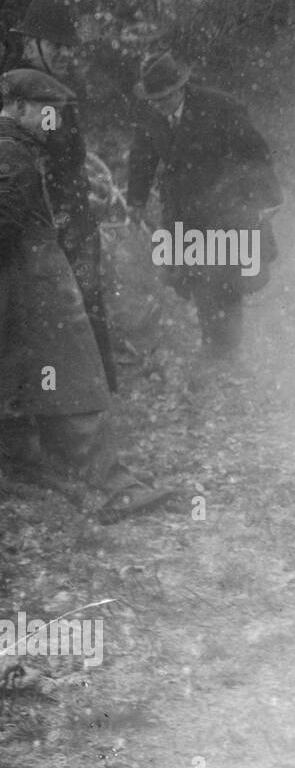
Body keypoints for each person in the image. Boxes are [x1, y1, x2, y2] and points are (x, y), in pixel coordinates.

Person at [0, 69, 176, 521]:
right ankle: (108, 487)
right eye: (48, 113)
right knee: (76, 385)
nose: (55, 122)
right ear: (19, 108)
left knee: (29, 382)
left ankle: (37, 471)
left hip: (25, 287)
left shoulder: (19, 148)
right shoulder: (13, 152)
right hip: (38, 290)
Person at [126, 51, 282, 357]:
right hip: (181, 210)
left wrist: (263, 198)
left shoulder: (220, 108)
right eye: (153, 98)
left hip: (223, 207)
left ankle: (224, 347)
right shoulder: (152, 115)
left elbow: (256, 153)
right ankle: (215, 342)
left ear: (180, 88)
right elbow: (142, 157)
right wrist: (136, 200)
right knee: (193, 277)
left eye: (164, 97)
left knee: (225, 278)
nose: (158, 104)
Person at [5, 0, 115, 390]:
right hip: (50, 234)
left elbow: (60, 160)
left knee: (74, 326)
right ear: (31, 43)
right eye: (56, 45)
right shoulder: (29, 95)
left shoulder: (50, 90)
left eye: (68, 46)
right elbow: (37, 163)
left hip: (68, 226)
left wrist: (85, 190)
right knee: (63, 330)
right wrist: (69, 211)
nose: (65, 53)